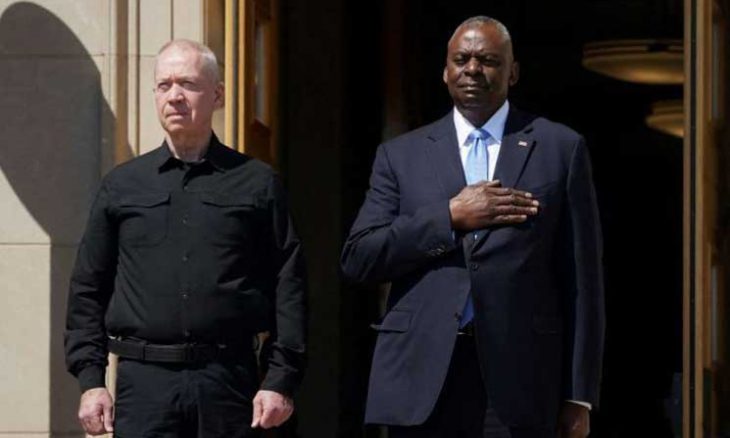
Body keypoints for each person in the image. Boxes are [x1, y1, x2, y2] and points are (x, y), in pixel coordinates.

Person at [341, 16, 604, 438]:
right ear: (445, 71)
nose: (473, 69)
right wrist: (448, 217)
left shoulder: (559, 147)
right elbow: (360, 257)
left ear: (512, 72)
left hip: (521, 380)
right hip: (422, 377)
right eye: (461, 59)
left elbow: (582, 281)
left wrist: (579, 395)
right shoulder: (400, 155)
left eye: (488, 60)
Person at [64, 39, 307, 438]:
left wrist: (280, 378)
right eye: (164, 85)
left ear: (218, 95)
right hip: (144, 385)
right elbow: (88, 287)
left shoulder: (257, 183)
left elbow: (289, 284)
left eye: (188, 84)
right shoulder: (122, 186)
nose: (174, 95)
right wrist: (91, 380)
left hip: (229, 382)